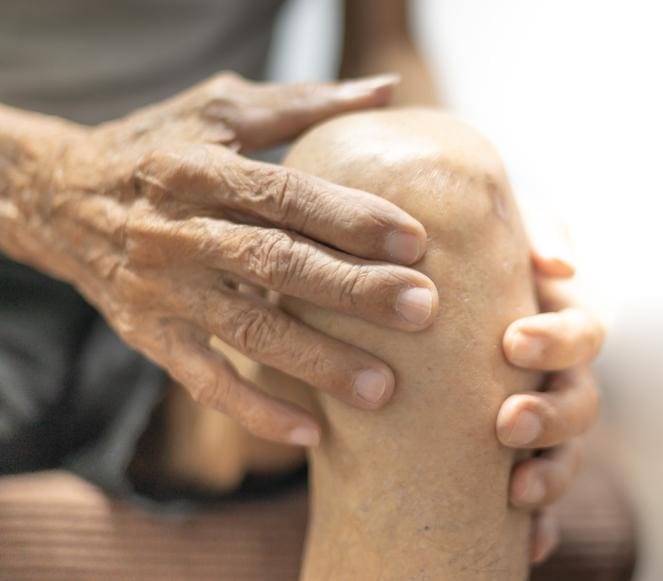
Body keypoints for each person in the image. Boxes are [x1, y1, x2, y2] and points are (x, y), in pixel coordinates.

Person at [0, 0, 615, 576]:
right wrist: (47, 187)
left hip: (181, 246)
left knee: (422, 222)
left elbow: (385, 44)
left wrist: (489, 237)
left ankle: (189, 435)